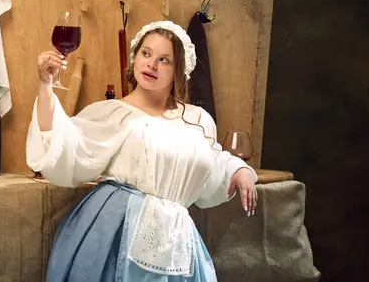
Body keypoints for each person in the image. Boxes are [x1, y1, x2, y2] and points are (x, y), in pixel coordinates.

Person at [26, 20, 258, 282]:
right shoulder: (114, 113)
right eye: (146, 54)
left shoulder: (198, 120)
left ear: (178, 71)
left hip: (175, 238)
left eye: (164, 60)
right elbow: (62, 141)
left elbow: (212, 160)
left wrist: (239, 170)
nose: (151, 64)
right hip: (114, 229)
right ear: (135, 58)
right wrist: (45, 85)